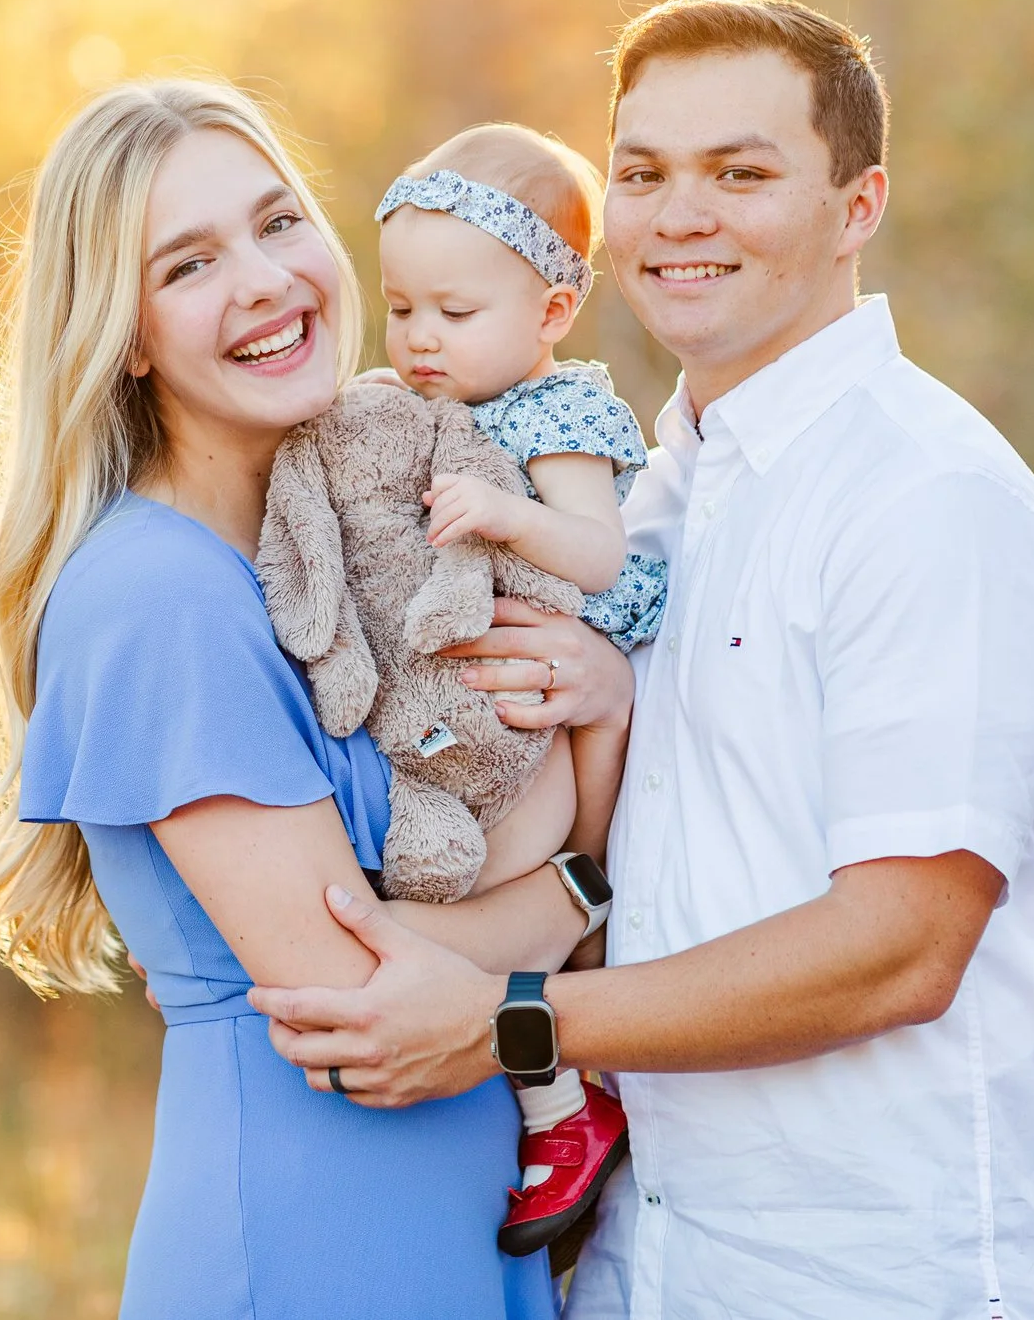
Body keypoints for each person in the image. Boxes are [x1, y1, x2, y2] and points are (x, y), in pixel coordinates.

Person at [249, 0, 1034, 1318]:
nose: (681, 214)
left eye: (744, 172)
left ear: (860, 204)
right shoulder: (643, 502)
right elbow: (605, 849)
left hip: (893, 1273)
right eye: (645, 173)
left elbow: (901, 945)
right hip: (652, 1267)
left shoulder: (927, 498)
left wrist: (509, 1016)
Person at [0, 79, 635, 1320]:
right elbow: (353, 994)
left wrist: (605, 699)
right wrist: (582, 882)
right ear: (126, 331)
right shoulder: (159, 592)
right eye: (189, 262)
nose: (262, 279)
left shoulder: (361, 531)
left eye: (276, 222)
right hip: (317, 1233)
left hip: (462, 1207)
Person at [372, 122, 666, 1251]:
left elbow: (595, 555)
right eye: (402, 309)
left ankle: (565, 1097)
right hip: (466, 689)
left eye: (455, 313)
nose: (421, 339)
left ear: (550, 310)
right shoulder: (411, 408)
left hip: (551, 690)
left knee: (515, 879)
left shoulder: (558, 413)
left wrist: (502, 511)